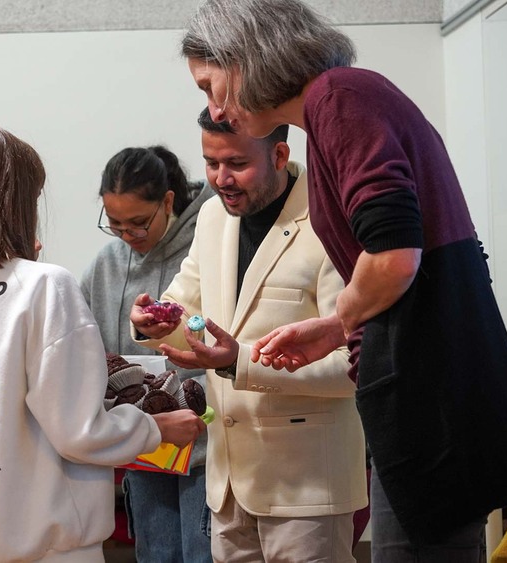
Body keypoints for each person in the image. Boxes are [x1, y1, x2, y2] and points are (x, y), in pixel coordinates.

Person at [180, 0, 507, 560]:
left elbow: (394, 256)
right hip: (424, 388)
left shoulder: (339, 98)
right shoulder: (336, 104)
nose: (215, 109)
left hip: (431, 393)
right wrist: (334, 327)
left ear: (246, 59)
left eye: (211, 86)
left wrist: (337, 322)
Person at [0, 123, 205, 561]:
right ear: (12, 201)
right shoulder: (44, 284)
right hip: (48, 546)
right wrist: (155, 428)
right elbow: (79, 432)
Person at [129, 110, 366, 562]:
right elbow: (185, 312)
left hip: (307, 488)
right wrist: (152, 321)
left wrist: (239, 361)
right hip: (227, 487)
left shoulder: (331, 219)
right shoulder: (212, 216)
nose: (221, 179)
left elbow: (354, 364)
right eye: (211, 163)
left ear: (279, 155)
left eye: (237, 164)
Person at [80, 145, 214, 562]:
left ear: (168, 202)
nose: (128, 236)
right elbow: (84, 348)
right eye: (116, 225)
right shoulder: (105, 265)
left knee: (203, 553)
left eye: (139, 223)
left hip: (204, 443)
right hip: (144, 446)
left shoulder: (206, 247)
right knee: (156, 554)